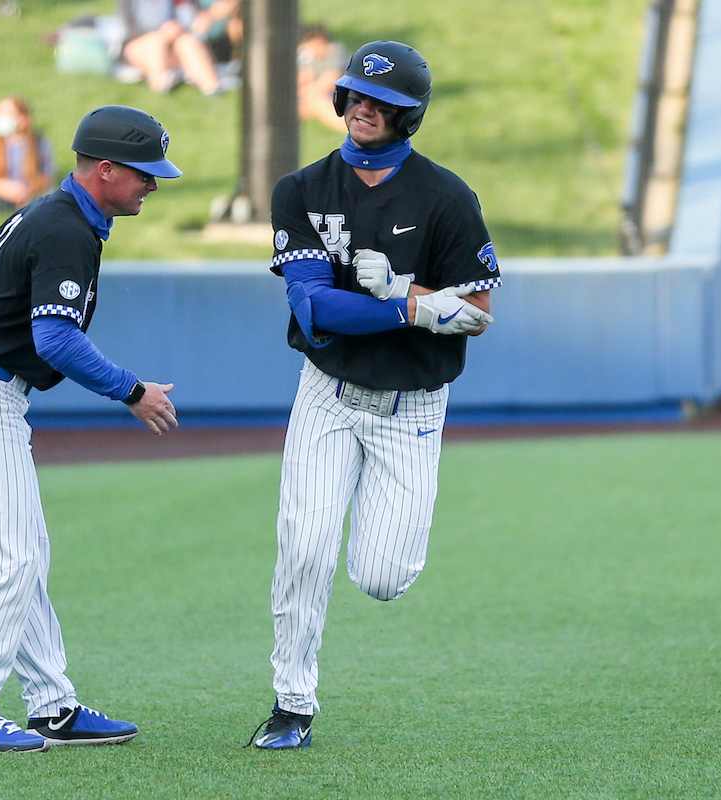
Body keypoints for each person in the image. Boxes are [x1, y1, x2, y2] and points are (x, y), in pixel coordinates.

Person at [247, 41, 501, 749]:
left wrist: (402, 290)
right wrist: (409, 308)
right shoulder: (300, 189)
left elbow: (479, 311)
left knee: (384, 576)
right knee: (304, 546)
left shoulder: (446, 196)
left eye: (382, 101)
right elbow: (313, 309)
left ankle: (372, 585)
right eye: (357, 93)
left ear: (408, 115)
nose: (365, 106)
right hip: (326, 391)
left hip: (412, 403)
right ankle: (291, 703)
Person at [0, 105, 182, 753]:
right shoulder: (63, 226)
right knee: (6, 559)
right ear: (107, 170)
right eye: (145, 175)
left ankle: (51, 705)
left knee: (24, 556)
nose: (153, 185)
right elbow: (55, 339)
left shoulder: (55, 215)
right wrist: (131, 390)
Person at [119, 0, 222, 95]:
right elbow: (129, 29)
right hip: (139, 45)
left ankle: (210, 85)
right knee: (155, 42)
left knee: (186, 41)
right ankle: (160, 84)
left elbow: (190, 18)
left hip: (171, 44)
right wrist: (162, 33)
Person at [297, 25, 349, 133]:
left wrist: (305, 93)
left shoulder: (335, 51)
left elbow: (330, 80)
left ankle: (347, 127)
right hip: (321, 94)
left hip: (343, 93)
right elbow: (304, 77)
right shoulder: (312, 59)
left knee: (318, 101)